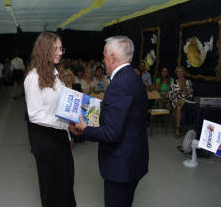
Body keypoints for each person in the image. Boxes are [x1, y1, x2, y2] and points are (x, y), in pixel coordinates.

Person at [75, 36, 149, 207]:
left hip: (121, 165)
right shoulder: (133, 77)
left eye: (105, 56)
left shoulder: (119, 84)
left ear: (113, 57)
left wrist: (85, 129)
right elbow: (122, 115)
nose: (103, 60)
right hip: (133, 159)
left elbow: (111, 132)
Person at [24, 32, 78, 207]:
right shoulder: (33, 78)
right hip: (44, 137)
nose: (60, 52)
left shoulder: (55, 74)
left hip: (59, 134)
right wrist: (64, 124)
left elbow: (61, 107)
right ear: (43, 50)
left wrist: (68, 131)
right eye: (54, 48)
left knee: (67, 176)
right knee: (52, 183)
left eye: (60, 48)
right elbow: (35, 115)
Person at [169, 66, 193, 139]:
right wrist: (180, 89)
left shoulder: (188, 82)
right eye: (178, 72)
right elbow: (172, 96)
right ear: (176, 73)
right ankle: (182, 124)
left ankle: (178, 129)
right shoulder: (173, 83)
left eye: (181, 71)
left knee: (179, 108)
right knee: (181, 102)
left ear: (184, 72)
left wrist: (185, 88)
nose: (180, 73)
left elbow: (190, 96)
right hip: (176, 101)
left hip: (186, 101)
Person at [63, 69, 83, 148]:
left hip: (75, 110)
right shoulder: (62, 87)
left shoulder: (77, 86)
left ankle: (73, 138)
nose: (67, 77)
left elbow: (80, 99)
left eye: (68, 75)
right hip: (65, 111)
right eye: (64, 76)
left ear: (72, 76)